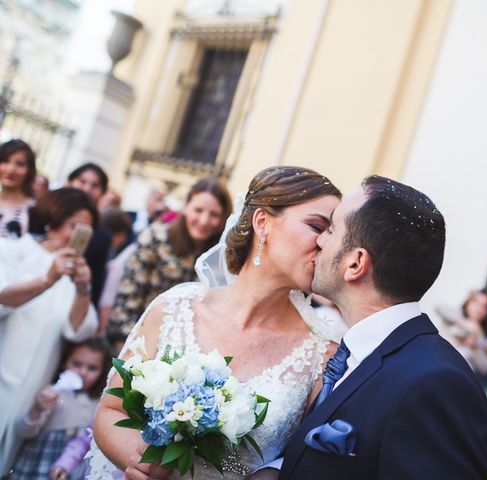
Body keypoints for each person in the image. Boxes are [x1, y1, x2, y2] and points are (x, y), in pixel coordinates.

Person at [87, 166, 344, 479]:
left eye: (332, 235)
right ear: (262, 222)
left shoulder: (324, 354)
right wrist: (141, 460)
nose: (325, 244)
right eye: (316, 226)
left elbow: (303, 460)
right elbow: (112, 410)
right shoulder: (175, 307)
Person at [267, 176, 487, 479]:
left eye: (332, 230)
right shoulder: (350, 354)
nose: (319, 240)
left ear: (355, 263)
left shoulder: (435, 383)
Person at [0, 188, 99, 474]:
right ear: (54, 217)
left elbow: (79, 331)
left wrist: (82, 289)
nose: (78, 237)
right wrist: (47, 280)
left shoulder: (74, 273)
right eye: (74, 227)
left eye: (86, 232)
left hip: (33, 383)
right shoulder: (13, 250)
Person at [106, 177, 233, 337]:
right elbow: (128, 296)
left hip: (192, 350)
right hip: (142, 339)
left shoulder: (223, 256)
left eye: (214, 214)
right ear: (186, 207)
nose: (204, 220)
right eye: (198, 210)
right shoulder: (156, 237)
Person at [10, 337, 111, 480]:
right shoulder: (52, 394)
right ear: (64, 362)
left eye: (92, 368)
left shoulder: (99, 403)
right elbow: (24, 431)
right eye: (77, 364)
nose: (83, 372)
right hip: (39, 464)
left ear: (103, 371)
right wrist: (37, 409)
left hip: (71, 469)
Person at [67, 163, 112, 306]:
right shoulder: (45, 212)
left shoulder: (102, 236)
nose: (87, 189)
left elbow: (97, 281)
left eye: (94, 185)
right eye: (82, 181)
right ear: (70, 182)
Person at [436, 288, 487, 376]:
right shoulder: (456, 315)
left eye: (485, 306)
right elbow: (439, 307)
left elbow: (486, 369)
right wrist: (463, 322)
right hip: (439, 361)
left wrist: (475, 348)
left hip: (458, 374)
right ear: (468, 302)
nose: (479, 309)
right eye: (476, 303)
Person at [0, 139, 36, 239]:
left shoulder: (35, 210)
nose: (11, 169)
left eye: (20, 164)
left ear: (29, 170)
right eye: (5, 161)